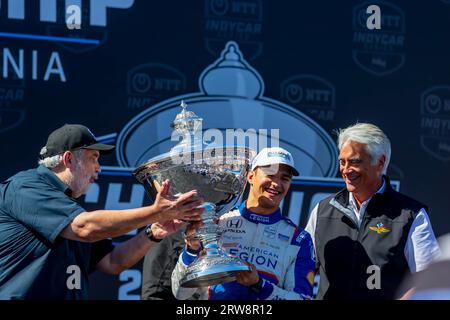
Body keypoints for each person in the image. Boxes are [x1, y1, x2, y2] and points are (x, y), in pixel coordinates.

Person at [0, 124, 203, 300]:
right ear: (69, 159)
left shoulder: (67, 207)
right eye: (93, 158)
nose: (99, 168)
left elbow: (113, 262)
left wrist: (153, 233)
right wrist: (156, 212)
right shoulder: (26, 187)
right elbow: (84, 227)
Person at [305, 123, 441, 300]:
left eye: (355, 161)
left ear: (380, 162)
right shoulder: (322, 210)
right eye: (342, 162)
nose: (345, 170)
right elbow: (302, 266)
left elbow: (429, 279)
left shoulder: (411, 215)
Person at [171, 147, 316, 300]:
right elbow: (180, 293)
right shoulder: (216, 223)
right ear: (251, 176)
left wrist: (259, 284)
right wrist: (192, 249)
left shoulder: (299, 239)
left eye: (284, 178)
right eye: (270, 174)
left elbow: (302, 298)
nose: (276, 183)